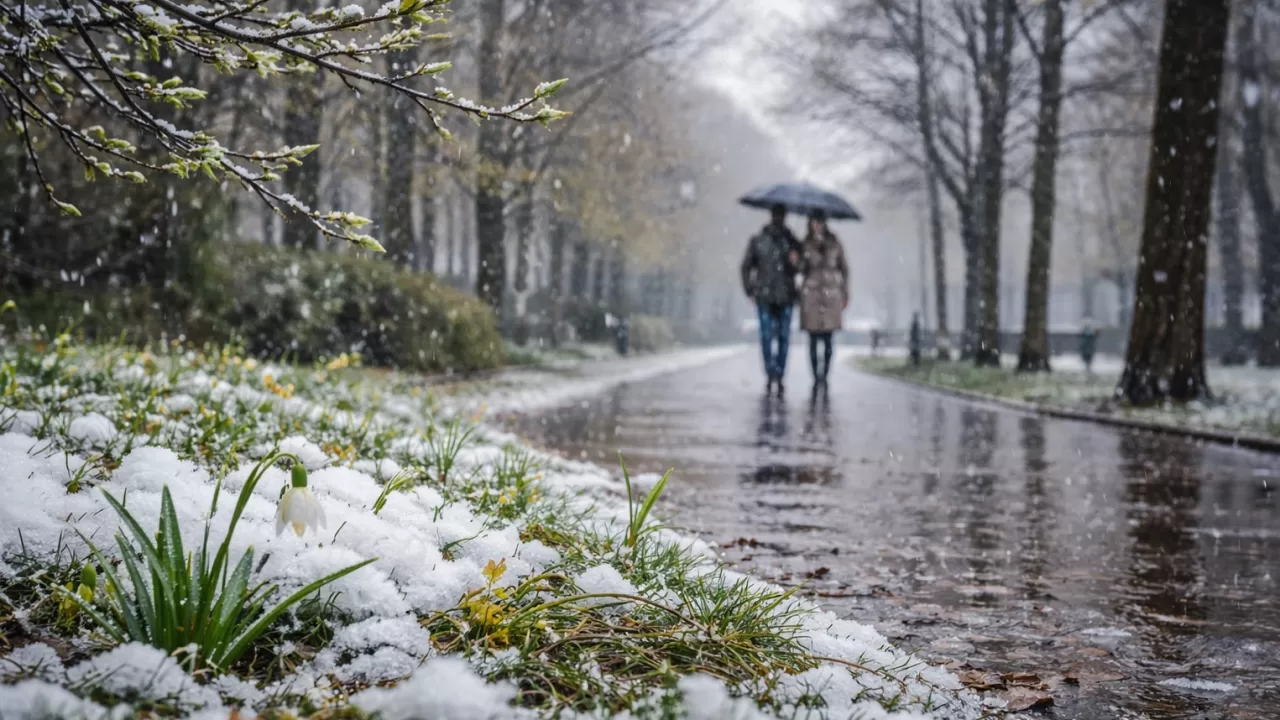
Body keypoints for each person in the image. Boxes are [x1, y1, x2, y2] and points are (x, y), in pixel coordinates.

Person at [741, 203, 802, 394]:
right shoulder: (759, 240)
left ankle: (779, 373)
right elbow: (746, 266)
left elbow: (801, 268)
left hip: (785, 296)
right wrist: (750, 290)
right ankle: (771, 373)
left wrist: (795, 261)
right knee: (767, 336)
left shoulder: (792, 242)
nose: (779, 218)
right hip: (766, 296)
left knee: (783, 337)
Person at [799, 210, 849, 386]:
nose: (817, 225)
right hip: (811, 295)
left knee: (828, 338)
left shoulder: (834, 243)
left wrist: (845, 293)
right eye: (814, 222)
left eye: (819, 222)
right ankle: (815, 376)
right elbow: (801, 269)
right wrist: (799, 259)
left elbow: (844, 268)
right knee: (813, 338)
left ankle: (825, 374)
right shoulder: (805, 243)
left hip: (831, 295)